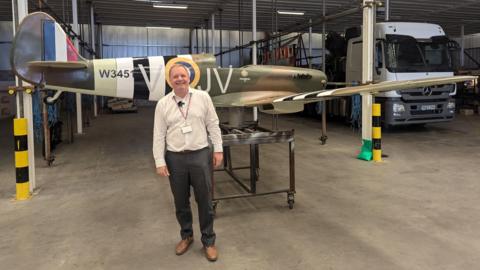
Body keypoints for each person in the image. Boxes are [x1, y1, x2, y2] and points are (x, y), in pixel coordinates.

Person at [153, 64, 223, 262]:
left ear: (189, 77)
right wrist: (159, 160)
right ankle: (186, 236)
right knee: (181, 202)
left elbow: (213, 123)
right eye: (175, 76)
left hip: (200, 154)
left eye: (183, 75)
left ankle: (208, 241)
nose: (179, 79)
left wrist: (218, 148)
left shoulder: (203, 98)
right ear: (170, 80)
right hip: (175, 159)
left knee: (205, 200)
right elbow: (158, 135)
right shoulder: (163, 104)